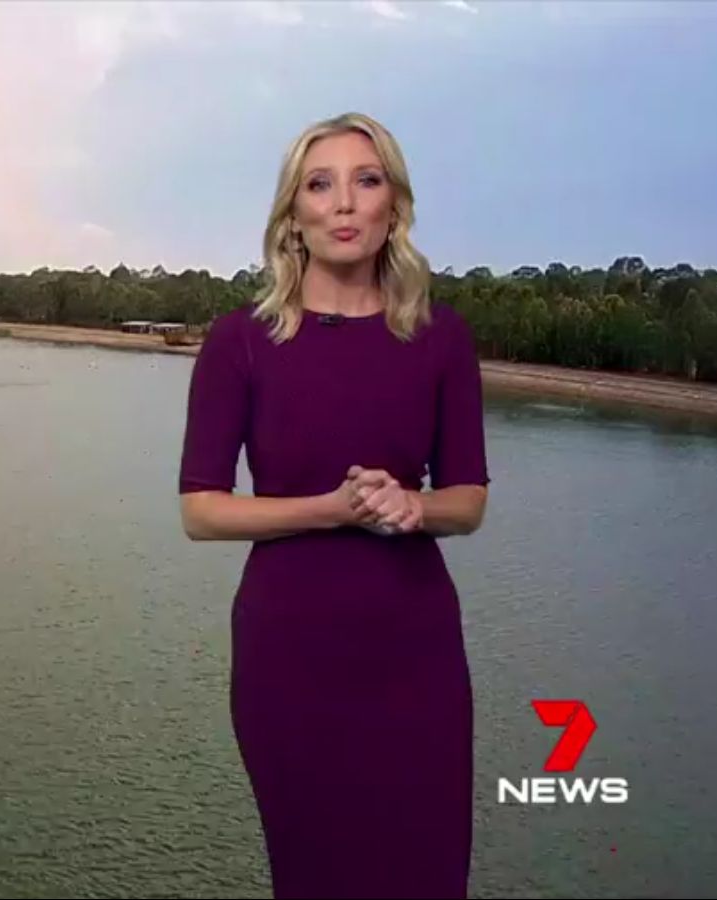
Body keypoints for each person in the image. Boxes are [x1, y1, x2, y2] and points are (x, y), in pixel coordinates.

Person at [178, 112, 490, 899]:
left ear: (395, 207)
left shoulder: (442, 338)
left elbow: (468, 502)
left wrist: (414, 506)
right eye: (320, 185)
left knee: (429, 875)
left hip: (416, 653)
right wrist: (332, 509)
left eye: (366, 180)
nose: (344, 203)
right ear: (294, 215)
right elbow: (202, 511)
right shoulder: (240, 343)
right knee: (316, 874)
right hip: (291, 656)